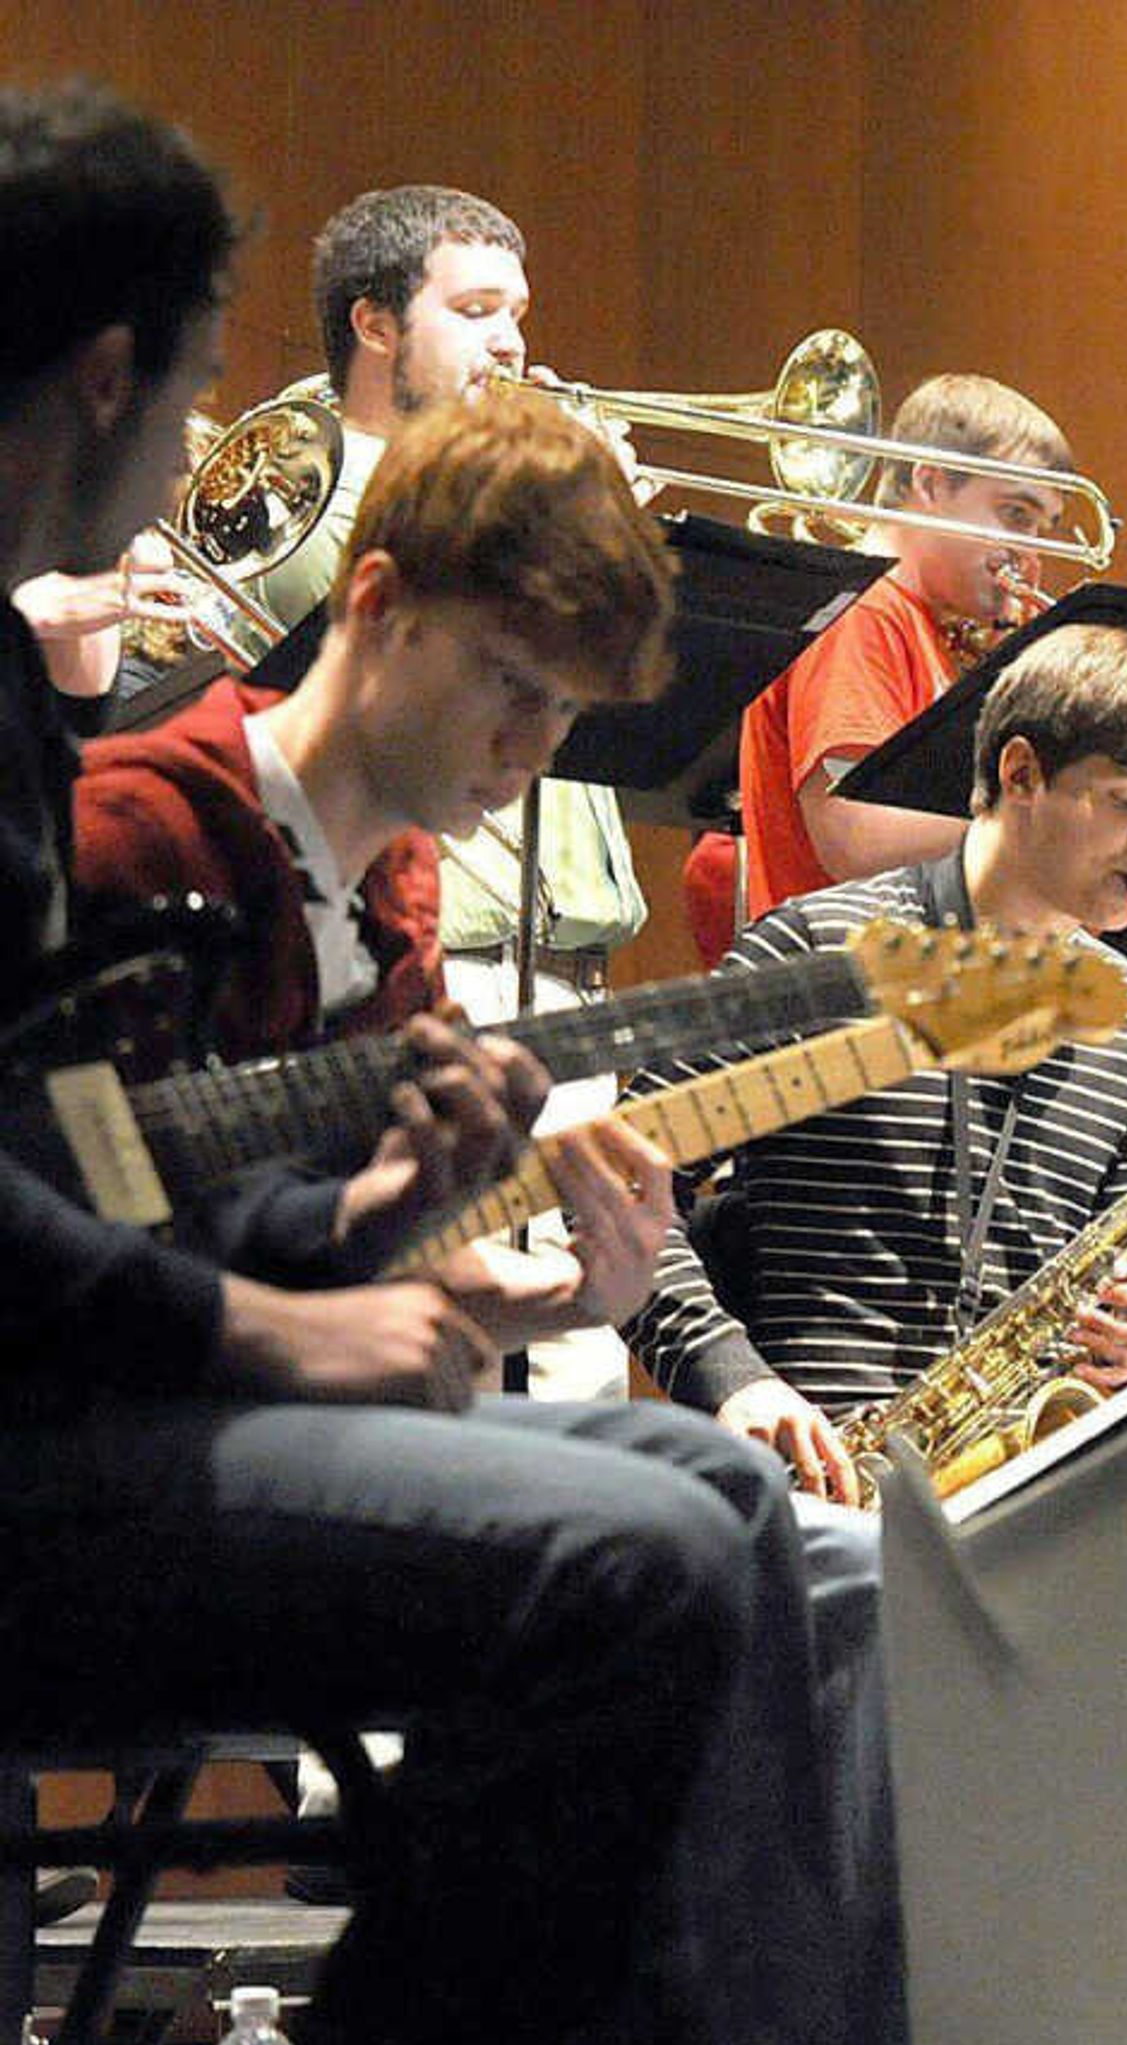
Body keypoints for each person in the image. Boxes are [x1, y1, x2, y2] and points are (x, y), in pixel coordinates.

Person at [0, 86, 1100, 2045]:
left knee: (732, 1513)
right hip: (69, 1448)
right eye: (506, 699)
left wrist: (433, 1264)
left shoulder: (351, 887)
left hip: (154, 1393)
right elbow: (98, 1219)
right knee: (636, 1546)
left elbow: (193, 1191)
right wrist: (283, 1311)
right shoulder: (117, 802)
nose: (515, 765)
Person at [630, 622, 1127, 1503]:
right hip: (820, 1486)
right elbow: (615, 1182)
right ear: (1019, 773)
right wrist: (731, 1376)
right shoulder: (817, 954)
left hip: (1035, 1498)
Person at [240, 185, 653, 1400]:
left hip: (567, 964)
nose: (513, 344)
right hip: (427, 960)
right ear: (374, 326)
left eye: (517, 314)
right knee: (438, 1353)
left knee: (577, 1371)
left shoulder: (519, 486)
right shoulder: (313, 475)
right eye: (474, 311)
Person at [692, 371, 1079, 951]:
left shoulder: (942, 628)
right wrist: (1045, 826)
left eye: (1044, 528)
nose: (1034, 553)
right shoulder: (864, 614)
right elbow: (856, 837)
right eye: (1015, 516)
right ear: (930, 484)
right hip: (842, 982)